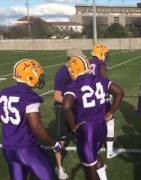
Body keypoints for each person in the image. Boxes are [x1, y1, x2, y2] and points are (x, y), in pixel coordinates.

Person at [0, 59, 62, 180]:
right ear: (30, 76)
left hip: (8, 149)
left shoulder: (3, 93)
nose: (40, 78)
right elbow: (36, 128)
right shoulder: (30, 97)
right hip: (26, 149)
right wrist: (54, 144)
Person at [63, 56, 124, 180]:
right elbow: (119, 92)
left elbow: (66, 106)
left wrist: (73, 126)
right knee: (94, 155)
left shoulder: (74, 85)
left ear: (73, 70)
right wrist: (111, 112)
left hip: (87, 130)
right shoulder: (100, 80)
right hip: (101, 126)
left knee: (89, 167)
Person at [53, 48, 85, 179]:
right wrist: (72, 104)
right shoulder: (62, 73)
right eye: (79, 58)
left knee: (83, 134)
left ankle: (91, 162)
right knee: (61, 139)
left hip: (73, 108)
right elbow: (56, 96)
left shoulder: (76, 70)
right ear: (72, 59)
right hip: (62, 109)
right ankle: (58, 168)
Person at [89, 44, 120, 159]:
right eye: (105, 54)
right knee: (109, 121)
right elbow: (104, 82)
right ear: (100, 53)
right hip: (100, 97)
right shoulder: (101, 65)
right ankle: (110, 151)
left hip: (89, 98)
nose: (106, 56)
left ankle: (91, 148)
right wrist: (108, 94)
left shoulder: (87, 62)